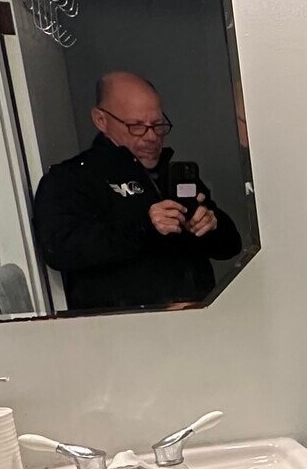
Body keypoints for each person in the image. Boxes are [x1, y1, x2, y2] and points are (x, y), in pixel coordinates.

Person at [32, 71, 242, 311]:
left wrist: (211, 225)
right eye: (137, 126)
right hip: (124, 326)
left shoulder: (173, 175)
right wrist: (144, 227)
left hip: (198, 319)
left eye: (158, 125)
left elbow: (230, 247)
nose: (151, 136)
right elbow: (60, 249)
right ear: (101, 120)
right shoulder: (70, 178)